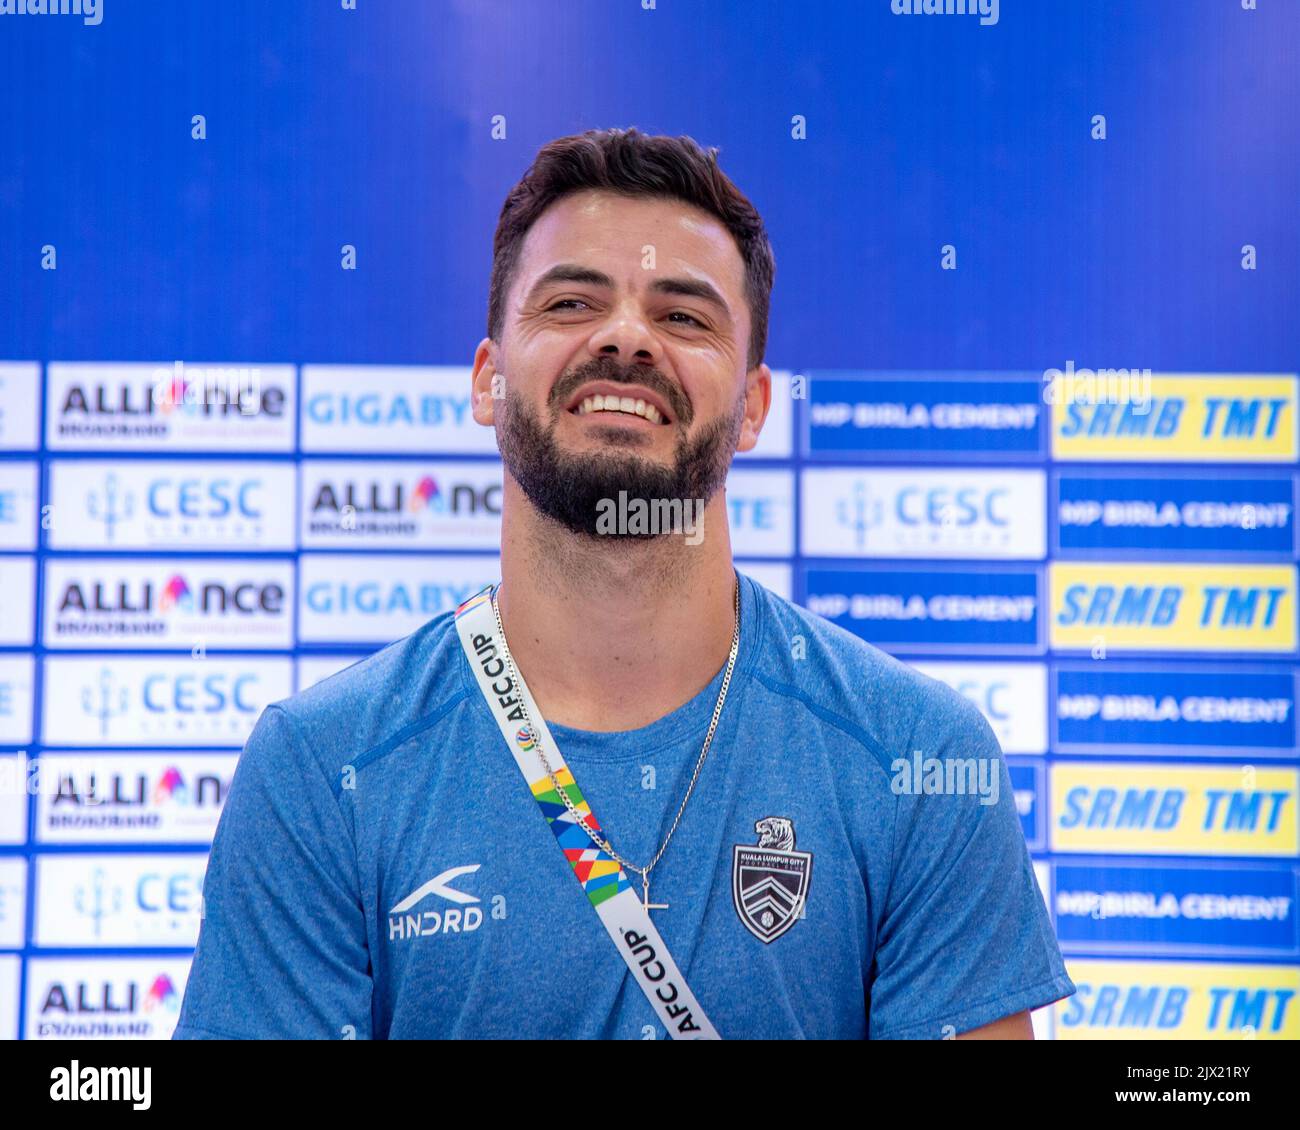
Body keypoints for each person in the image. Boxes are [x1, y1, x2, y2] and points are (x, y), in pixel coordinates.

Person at [173, 127, 1074, 1040]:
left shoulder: (914, 757)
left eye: (684, 317)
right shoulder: (323, 769)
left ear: (754, 406)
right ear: (487, 381)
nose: (626, 339)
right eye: (571, 302)